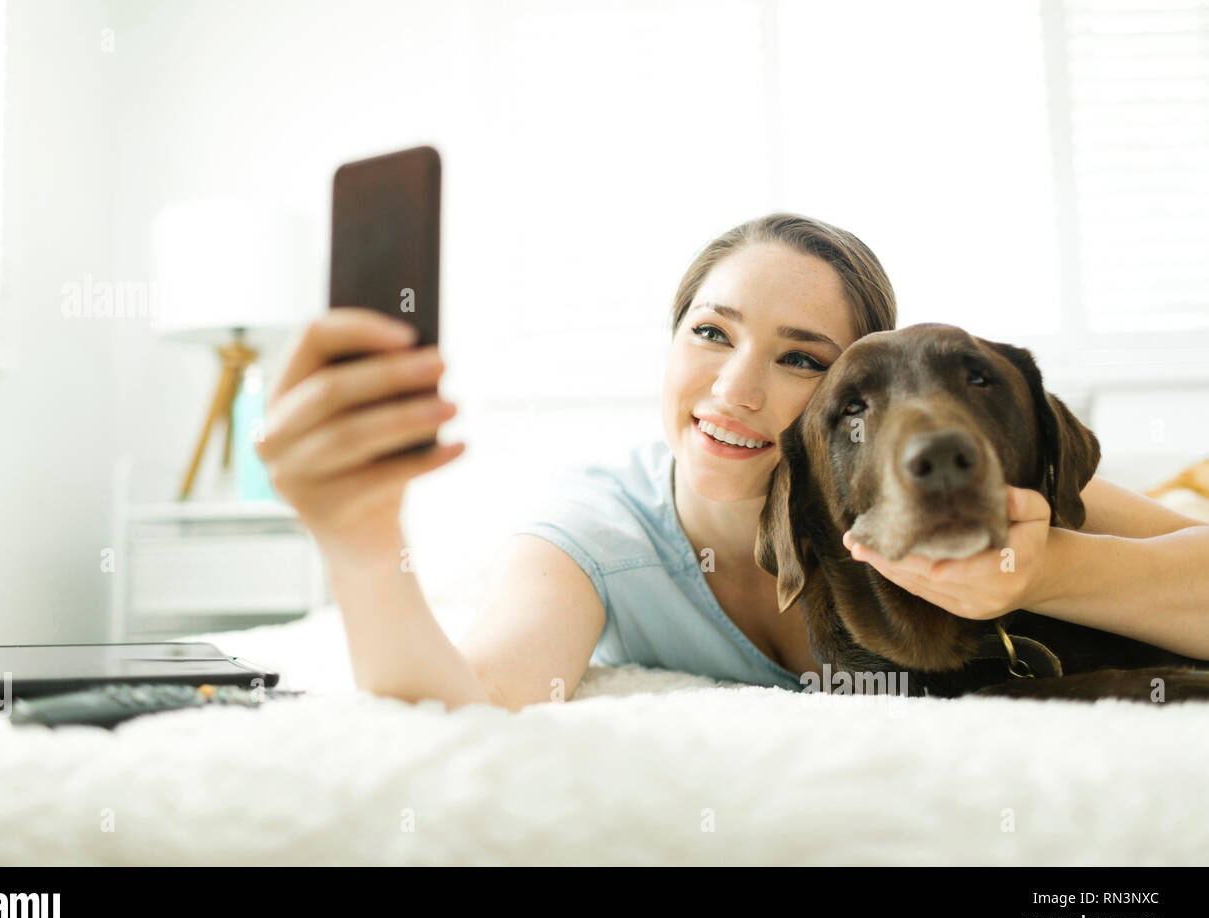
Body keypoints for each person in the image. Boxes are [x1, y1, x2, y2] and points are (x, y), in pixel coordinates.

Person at [258, 212, 1209, 712]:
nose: (736, 390)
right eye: (711, 333)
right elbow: (471, 700)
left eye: (802, 358)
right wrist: (357, 540)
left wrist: (1048, 569)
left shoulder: (937, 475)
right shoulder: (601, 531)